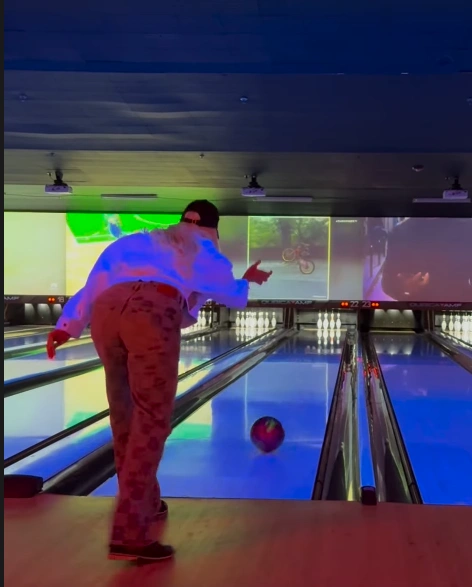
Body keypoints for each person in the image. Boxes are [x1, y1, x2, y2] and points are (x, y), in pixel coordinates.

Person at [46, 200, 272, 563]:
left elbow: (94, 284)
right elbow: (233, 295)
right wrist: (247, 279)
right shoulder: (203, 248)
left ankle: (146, 502)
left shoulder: (135, 240)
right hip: (151, 315)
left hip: (106, 314)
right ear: (212, 229)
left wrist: (66, 326)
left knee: (124, 416)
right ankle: (130, 533)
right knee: (151, 419)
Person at [381, 217, 472, 302]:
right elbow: (388, 282)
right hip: (419, 305)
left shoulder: (467, 227)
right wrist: (404, 287)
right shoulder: (399, 232)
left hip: (458, 304)